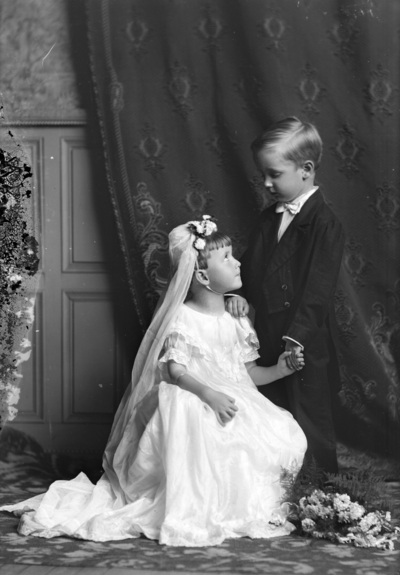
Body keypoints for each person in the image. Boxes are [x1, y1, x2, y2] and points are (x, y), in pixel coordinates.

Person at [1, 216, 307, 547]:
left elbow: (248, 374)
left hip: (237, 397)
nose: (237, 262)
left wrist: (280, 369)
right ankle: (199, 504)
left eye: (233, 255)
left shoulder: (236, 320)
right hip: (198, 395)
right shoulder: (183, 319)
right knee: (196, 420)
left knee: (281, 434)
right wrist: (209, 394)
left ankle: (236, 504)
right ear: (202, 275)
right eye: (227, 258)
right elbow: (176, 373)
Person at [227, 117, 345, 474]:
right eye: (264, 174)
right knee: (272, 414)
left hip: (302, 339)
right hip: (265, 333)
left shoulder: (325, 224)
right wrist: (240, 293)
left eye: (274, 174)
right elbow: (250, 266)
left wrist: (297, 338)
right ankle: (277, 486)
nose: (266, 183)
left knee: (309, 415)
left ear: (306, 170)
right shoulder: (269, 218)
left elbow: (317, 291)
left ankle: (321, 489)